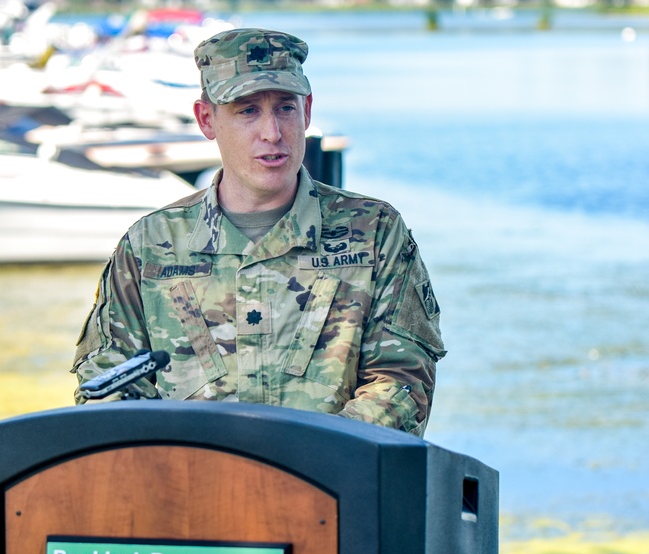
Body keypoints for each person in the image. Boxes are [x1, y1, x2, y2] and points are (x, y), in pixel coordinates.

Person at [71, 28, 445, 436]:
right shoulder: (150, 245)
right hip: (187, 487)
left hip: (330, 486)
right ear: (206, 119)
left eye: (285, 108)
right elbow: (108, 383)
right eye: (247, 111)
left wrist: (302, 461)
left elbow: (402, 383)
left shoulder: (375, 233)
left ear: (307, 112)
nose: (272, 133)